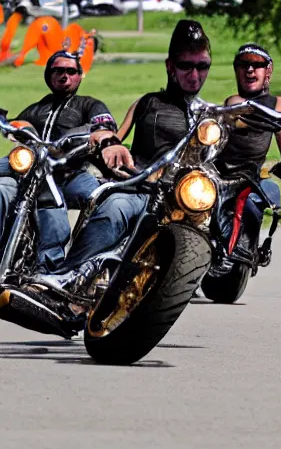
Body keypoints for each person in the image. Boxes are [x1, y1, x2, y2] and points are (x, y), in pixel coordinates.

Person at [25, 19, 213, 294]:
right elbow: (112, 134)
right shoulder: (149, 103)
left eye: (202, 66)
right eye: (186, 66)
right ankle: (69, 278)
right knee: (114, 210)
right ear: (170, 66)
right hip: (139, 189)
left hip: (184, 200)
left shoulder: (211, 116)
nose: (194, 75)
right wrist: (108, 142)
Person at [0, 50, 131, 305]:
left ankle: (84, 271)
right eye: (58, 71)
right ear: (48, 74)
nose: (64, 76)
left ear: (80, 76)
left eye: (71, 71)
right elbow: (15, 126)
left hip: (71, 174)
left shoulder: (89, 105)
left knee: (103, 198)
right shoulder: (37, 108)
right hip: (32, 176)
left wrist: (94, 136)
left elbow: (105, 126)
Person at [212, 42, 281, 269]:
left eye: (256, 65)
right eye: (243, 65)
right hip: (218, 173)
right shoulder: (234, 102)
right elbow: (236, 116)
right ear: (236, 70)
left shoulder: (279, 105)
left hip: (252, 177)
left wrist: (279, 169)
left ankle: (249, 246)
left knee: (260, 196)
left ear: (268, 70)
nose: (250, 70)